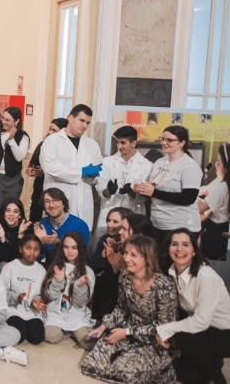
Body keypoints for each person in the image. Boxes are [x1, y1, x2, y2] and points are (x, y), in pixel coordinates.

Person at [82, 236, 178, 384]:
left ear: (148, 258)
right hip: (126, 332)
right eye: (126, 253)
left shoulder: (165, 286)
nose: (126, 258)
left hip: (153, 341)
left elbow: (164, 327)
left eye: (133, 255)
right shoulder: (126, 277)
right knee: (90, 366)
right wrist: (103, 326)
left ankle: (164, 372)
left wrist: (126, 332)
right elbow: (122, 308)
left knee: (121, 373)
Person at [157, 228, 230, 384]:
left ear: (194, 251)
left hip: (224, 333)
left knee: (182, 336)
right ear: (168, 248)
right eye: (174, 244)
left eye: (186, 244)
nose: (179, 249)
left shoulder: (207, 276)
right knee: (188, 376)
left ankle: (219, 379)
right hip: (202, 334)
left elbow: (201, 321)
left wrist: (165, 329)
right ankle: (212, 361)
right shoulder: (170, 273)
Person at [39, 104, 103, 229]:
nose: (84, 126)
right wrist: (81, 172)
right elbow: (51, 168)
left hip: (84, 204)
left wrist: (93, 175)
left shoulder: (92, 145)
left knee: (82, 243)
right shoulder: (52, 141)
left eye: (88, 123)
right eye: (82, 120)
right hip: (58, 204)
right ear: (70, 117)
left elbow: (98, 170)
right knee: (56, 242)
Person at [133, 125, 202, 239]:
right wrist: (142, 189)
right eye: (162, 139)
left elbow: (189, 198)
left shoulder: (189, 166)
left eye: (169, 140)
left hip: (181, 227)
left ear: (182, 143)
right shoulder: (159, 162)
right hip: (157, 224)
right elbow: (154, 188)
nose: (164, 143)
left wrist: (154, 193)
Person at [93, 125, 152, 245]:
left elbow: (143, 196)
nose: (119, 147)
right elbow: (101, 188)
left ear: (133, 143)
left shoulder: (147, 165)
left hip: (134, 212)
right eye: (117, 142)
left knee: (132, 246)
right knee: (103, 246)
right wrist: (109, 190)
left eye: (123, 143)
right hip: (109, 211)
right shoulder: (107, 162)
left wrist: (130, 191)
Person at [39, 231, 96, 349]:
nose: (69, 251)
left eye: (74, 248)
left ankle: (81, 328)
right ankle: (67, 331)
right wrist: (57, 282)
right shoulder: (55, 266)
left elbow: (80, 304)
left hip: (77, 315)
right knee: (51, 336)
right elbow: (49, 296)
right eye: (66, 247)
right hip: (56, 314)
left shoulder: (88, 272)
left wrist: (79, 287)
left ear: (80, 249)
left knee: (90, 343)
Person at [0, 232, 46, 345]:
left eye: (36, 249)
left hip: (32, 312)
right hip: (13, 310)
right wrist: (16, 297)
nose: (32, 252)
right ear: (21, 249)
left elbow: (40, 293)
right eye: (28, 248)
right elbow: (0, 292)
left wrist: (36, 300)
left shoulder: (41, 270)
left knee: (37, 338)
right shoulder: (10, 267)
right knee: (19, 336)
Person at [0, 106, 29, 218]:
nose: (3, 122)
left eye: (7, 120)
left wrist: (12, 141)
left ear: (17, 121)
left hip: (13, 181)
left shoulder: (23, 137)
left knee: (9, 217)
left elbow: (19, 157)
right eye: (3, 118)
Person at [25, 118, 68, 223]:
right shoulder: (43, 144)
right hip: (39, 189)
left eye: (54, 130)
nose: (49, 132)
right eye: (49, 129)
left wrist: (44, 173)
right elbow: (33, 162)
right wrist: (31, 170)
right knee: (35, 217)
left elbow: (63, 170)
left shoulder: (65, 149)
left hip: (55, 188)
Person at [36, 188, 90, 262]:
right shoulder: (43, 223)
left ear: (64, 204)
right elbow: (39, 258)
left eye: (55, 200)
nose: (51, 205)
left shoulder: (80, 225)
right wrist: (40, 243)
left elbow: (82, 256)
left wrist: (59, 242)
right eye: (47, 201)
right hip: (50, 269)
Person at [199, 144, 230, 259]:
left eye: (219, 162)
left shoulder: (224, 187)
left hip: (216, 233)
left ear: (227, 167)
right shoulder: (221, 180)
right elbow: (206, 190)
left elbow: (201, 207)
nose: (216, 165)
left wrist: (188, 194)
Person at [0, 198, 31, 272]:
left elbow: (22, 259)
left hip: (21, 269)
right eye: (8, 210)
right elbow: (2, 259)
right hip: (1, 268)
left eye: (15, 211)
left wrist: (20, 236)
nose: (11, 214)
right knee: (4, 266)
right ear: (3, 213)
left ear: (20, 215)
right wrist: (2, 239)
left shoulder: (26, 229)